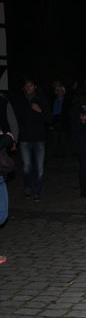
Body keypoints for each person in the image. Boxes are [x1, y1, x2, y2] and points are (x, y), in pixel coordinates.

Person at [12, 78, 52, 201]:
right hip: (25, 138)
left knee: (39, 167)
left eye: (30, 85)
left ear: (35, 87)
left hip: (39, 138)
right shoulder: (20, 101)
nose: (28, 88)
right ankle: (28, 187)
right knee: (27, 166)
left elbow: (50, 119)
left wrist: (40, 110)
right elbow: (15, 120)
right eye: (26, 85)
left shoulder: (41, 99)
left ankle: (37, 191)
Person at [1, 93, 18, 266]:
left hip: (0, 171)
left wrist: (10, 137)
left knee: (3, 213)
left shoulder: (4, 102)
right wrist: (7, 138)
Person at [69, 91, 86, 198]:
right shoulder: (79, 111)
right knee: (85, 168)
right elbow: (78, 128)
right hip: (84, 144)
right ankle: (85, 190)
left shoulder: (82, 110)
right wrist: (84, 123)